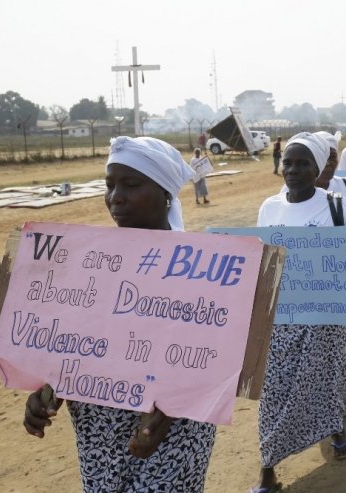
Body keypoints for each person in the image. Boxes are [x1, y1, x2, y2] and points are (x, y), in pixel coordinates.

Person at [23, 136, 216, 493]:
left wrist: (169, 411)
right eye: (109, 185)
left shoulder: (199, 268)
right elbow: (74, 342)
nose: (116, 198)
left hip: (168, 429)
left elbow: (212, 357)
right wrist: (47, 390)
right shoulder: (89, 263)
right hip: (98, 430)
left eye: (131, 185)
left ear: (165, 194)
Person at [253, 132, 346, 493]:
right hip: (283, 318)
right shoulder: (269, 207)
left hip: (327, 318)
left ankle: (335, 429)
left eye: (302, 163)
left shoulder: (336, 205)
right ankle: (267, 470)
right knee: (274, 391)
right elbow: (263, 261)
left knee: (327, 382)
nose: (292, 169)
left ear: (318, 167)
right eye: (288, 162)